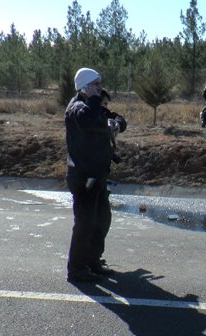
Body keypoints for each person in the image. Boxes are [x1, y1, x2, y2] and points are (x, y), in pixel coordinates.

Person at [65, 67, 126, 283]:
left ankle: (92, 260)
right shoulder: (78, 108)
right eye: (97, 84)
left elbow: (115, 118)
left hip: (97, 173)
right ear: (86, 86)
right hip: (83, 176)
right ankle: (76, 269)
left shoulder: (93, 106)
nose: (101, 89)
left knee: (101, 219)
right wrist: (92, 99)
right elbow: (88, 120)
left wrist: (116, 123)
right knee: (85, 222)